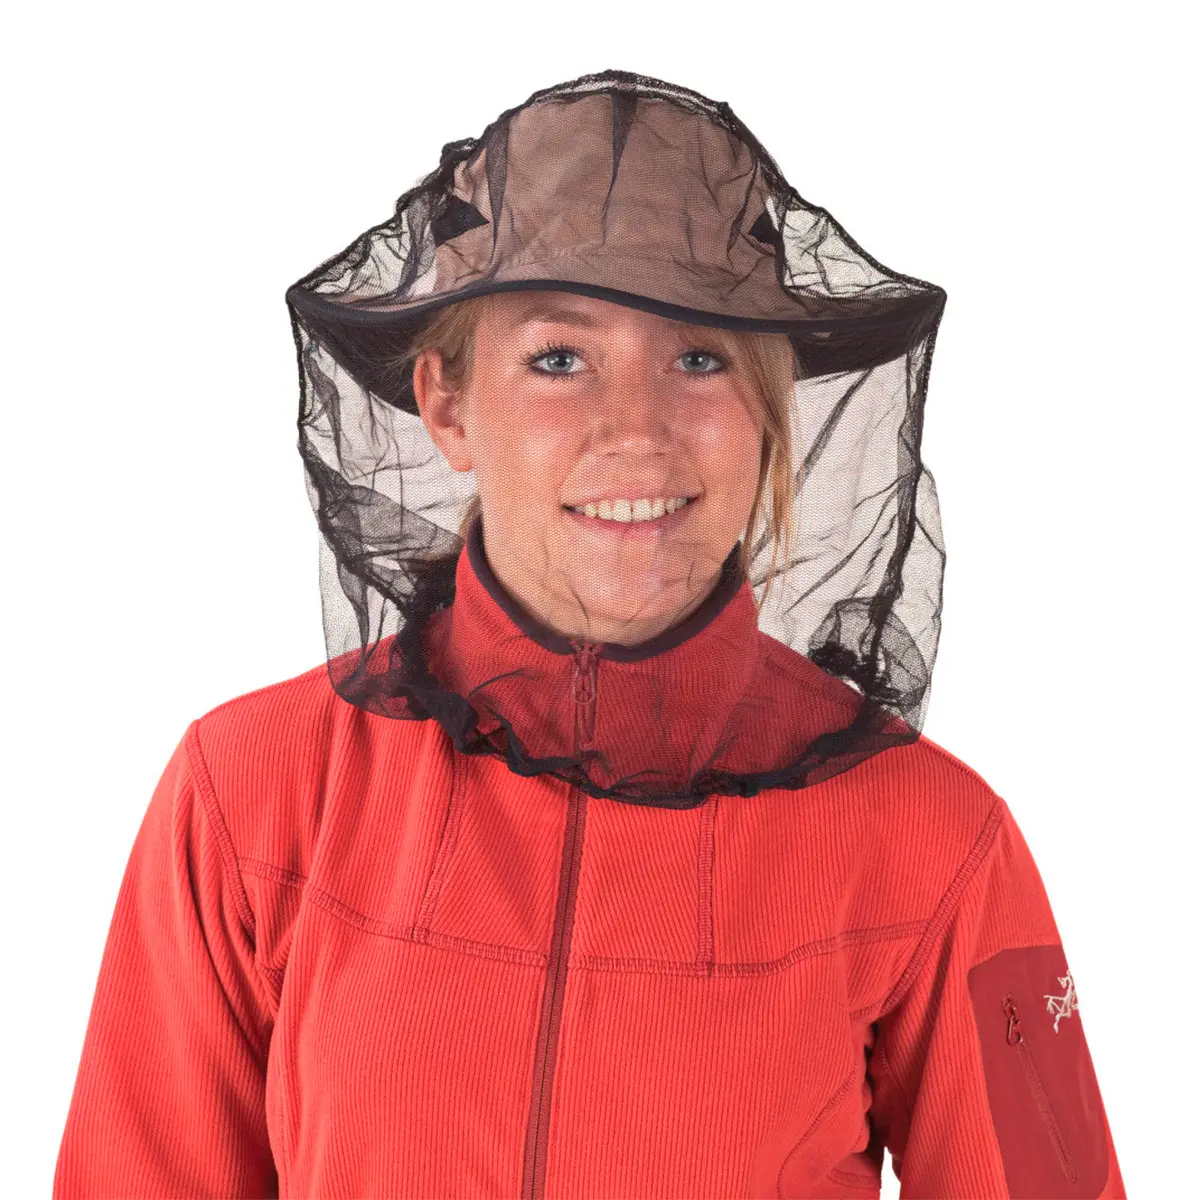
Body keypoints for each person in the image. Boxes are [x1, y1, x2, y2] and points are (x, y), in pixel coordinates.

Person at [53, 68, 1124, 1199]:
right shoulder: (248, 795)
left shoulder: (944, 838)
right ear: (448, 405)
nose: (637, 431)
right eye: (558, 359)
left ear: (769, 413)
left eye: (700, 358)